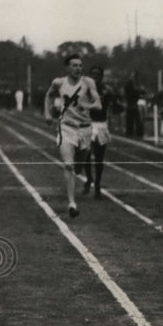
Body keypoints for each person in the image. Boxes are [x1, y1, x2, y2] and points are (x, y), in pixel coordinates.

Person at [44, 54, 102, 218]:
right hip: (66, 128)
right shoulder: (59, 82)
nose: (78, 68)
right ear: (67, 67)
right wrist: (47, 113)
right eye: (74, 65)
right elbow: (48, 95)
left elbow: (98, 104)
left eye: (80, 65)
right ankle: (72, 203)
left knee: (78, 167)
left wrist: (88, 105)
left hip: (85, 129)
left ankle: (78, 165)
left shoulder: (88, 82)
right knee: (68, 165)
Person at [82, 66, 121, 200]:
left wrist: (116, 104)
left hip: (101, 125)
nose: (95, 76)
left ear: (101, 76)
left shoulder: (107, 90)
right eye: (93, 74)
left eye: (97, 74)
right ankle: (89, 178)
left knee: (99, 157)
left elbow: (117, 104)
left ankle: (97, 184)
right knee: (85, 155)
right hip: (88, 124)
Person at [124, 73, 144, 138]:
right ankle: (138, 133)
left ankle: (130, 132)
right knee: (137, 120)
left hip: (130, 105)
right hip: (133, 105)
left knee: (130, 120)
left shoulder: (128, 86)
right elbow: (137, 93)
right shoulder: (132, 88)